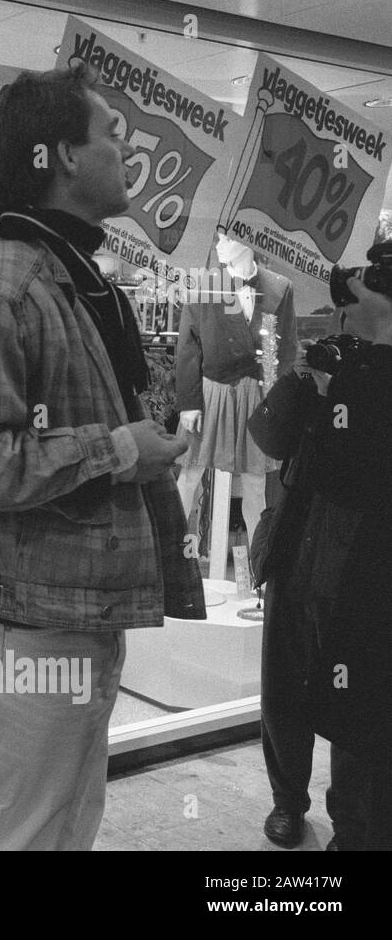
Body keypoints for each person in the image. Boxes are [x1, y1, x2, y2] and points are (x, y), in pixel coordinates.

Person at [0, 62, 204, 851]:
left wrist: (138, 449)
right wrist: (116, 450)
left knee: (59, 828)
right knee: (12, 837)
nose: (126, 150)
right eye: (112, 132)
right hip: (26, 627)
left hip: (68, 614)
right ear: (64, 158)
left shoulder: (74, 283)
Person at [248, 267, 392, 851]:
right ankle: (289, 801)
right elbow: (269, 437)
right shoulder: (331, 365)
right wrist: (304, 382)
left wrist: (349, 392)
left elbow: (361, 462)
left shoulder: (372, 379)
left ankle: (352, 820)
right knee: (285, 682)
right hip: (300, 542)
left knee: (353, 689)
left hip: (363, 558)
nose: (342, 313)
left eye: (356, 299)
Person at [175, 235, 297, 547]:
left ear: (248, 240)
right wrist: (189, 403)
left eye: (226, 238)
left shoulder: (279, 286)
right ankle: (168, 551)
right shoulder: (204, 283)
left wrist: (273, 397)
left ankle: (260, 567)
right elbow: (188, 347)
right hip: (210, 392)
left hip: (255, 394)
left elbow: (279, 347)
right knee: (189, 474)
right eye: (215, 237)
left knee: (255, 484)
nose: (218, 244)